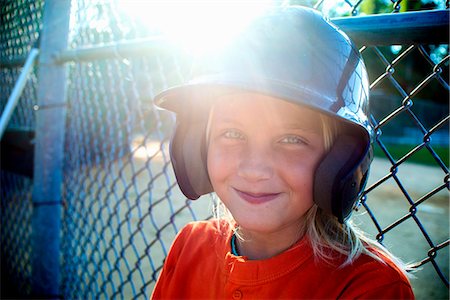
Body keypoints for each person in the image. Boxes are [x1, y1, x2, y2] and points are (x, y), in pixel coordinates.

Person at [151, 5, 414, 299]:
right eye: (232, 134)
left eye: (291, 139)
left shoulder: (370, 287)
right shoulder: (188, 245)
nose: (254, 168)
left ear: (340, 159)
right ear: (198, 146)